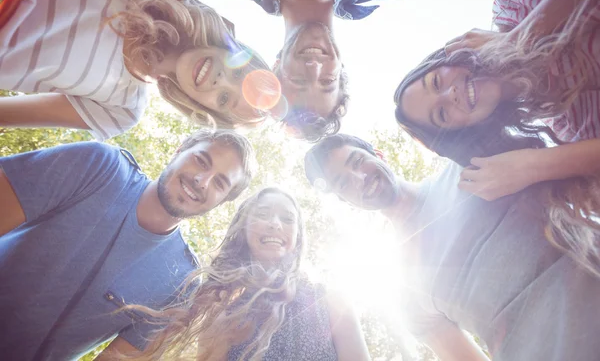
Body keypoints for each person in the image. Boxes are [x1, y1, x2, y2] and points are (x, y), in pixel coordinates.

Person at [304, 133, 600, 361]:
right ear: (346, 201)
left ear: (379, 154)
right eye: (343, 184)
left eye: (357, 161)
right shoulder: (404, 287)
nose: (359, 178)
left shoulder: (466, 168)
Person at [0, 129, 255, 360]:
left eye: (220, 183)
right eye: (201, 160)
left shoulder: (181, 284)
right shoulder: (99, 166)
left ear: (222, 201)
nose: (202, 180)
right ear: (178, 151)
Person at [393, 0, 600, 201]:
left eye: (437, 82)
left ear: (447, 59)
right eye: (442, 114)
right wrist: (532, 166)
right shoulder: (572, 127)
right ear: (468, 131)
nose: (450, 96)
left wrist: (519, 39)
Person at [0, 0, 271, 141]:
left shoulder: (123, 110)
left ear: (205, 110)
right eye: (238, 75)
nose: (219, 81)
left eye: (224, 99)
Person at [101, 187, 370, 361]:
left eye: (287, 219)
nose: (276, 224)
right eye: (264, 215)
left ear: (297, 237)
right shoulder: (221, 309)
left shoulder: (331, 301)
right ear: (244, 228)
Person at [197, 0, 429, 141]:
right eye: (328, 80)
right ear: (341, 69)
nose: (314, 66)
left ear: (275, 67)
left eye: (298, 80)